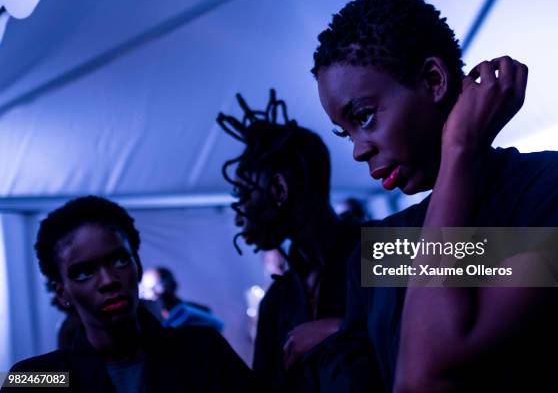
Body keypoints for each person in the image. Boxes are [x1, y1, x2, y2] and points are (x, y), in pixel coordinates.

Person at [313, 0, 558, 392]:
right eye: (344, 131)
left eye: (364, 117)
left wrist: (459, 151)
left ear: (434, 80)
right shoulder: (379, 248)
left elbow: (427, 374)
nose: (357, 149)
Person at [3, 196, 255, 392]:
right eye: (83, 273)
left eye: (119, 261)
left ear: (138, 266)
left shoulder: (202, 351)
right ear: (61, 292)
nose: (108, 281)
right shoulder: (32, 378)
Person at [217, 90, 361, 391]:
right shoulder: (276, 302)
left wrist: (341, 329)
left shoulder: (376, 249)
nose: (239, 214)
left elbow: (483, 259)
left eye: (244, 195)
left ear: (279, 189)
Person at [140, 266, 224, 332]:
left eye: (158, 286)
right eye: (147, 290)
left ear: (172, 284)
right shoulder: (149, 321)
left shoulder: (192, 311)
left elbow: (217, 326)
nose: (154, 294)